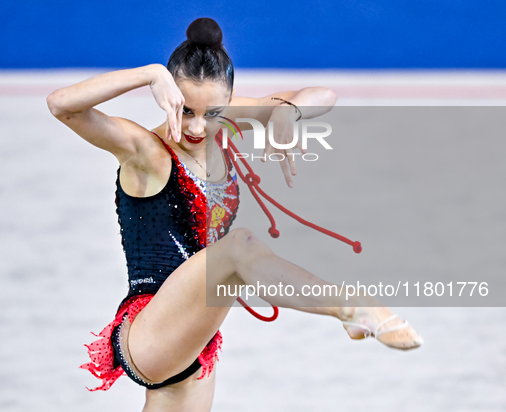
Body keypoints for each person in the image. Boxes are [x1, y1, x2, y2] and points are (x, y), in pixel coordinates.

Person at [47, 17, 422, 412]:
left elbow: (323, 95)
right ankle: (351, 307)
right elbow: (61, 104)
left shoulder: (221, 120)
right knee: (239, 246)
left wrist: (286, 113)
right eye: (186, 110)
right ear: (169, 97)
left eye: (212, 114)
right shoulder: (146, 150)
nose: (196, 127)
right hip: (149, 333)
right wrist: (149, 74)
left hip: (195, 340)